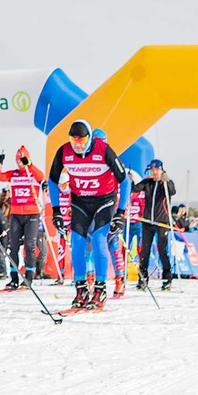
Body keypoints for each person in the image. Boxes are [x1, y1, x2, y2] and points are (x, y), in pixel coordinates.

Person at [47, 121, 124, 310]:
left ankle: (100, 288)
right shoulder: (64, 152)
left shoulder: (103, 149)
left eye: (81, 141)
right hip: (80, 202)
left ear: (89, 138)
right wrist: (56, 210)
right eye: (74, 141)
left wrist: (120, 213)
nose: (78, 145)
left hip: (103, 202)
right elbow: (52, 180)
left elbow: (124, 181)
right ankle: (81, 289)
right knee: (78, 244)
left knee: (99, 241)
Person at [0, 150, 47, 291]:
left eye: (21, 160)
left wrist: (29, 165)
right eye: (17, 160)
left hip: (32, 214)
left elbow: (40, 176)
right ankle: (14, 278)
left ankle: (29, 277)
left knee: (30, 245)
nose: (19, 163)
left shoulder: (32, 173)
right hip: (16, 214)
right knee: (13, 247)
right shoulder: (14, 174)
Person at [130, 159, 178, 290]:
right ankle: (143, 279)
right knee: (144, 251)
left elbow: (172, 191)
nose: (154, 172)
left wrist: (166, 181)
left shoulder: (165, 183)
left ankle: (167, 278)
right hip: (147, 222)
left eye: (157, 170)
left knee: (162, 251)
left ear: (162, 170)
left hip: (162, 222)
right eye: (152, 170)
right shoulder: (148, 183)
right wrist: (130, 180)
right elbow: (134, 189)